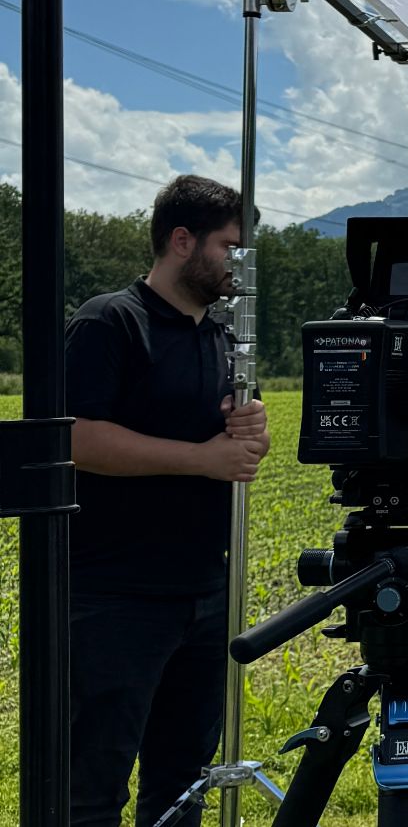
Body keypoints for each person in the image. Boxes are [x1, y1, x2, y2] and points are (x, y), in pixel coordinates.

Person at [64, 174, 270, 827]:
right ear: (182, 241)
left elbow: (229, 452)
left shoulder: (222, 341)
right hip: (115, 599)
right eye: (231, 247)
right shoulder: (109, 322)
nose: (240, 264)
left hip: (205, 597)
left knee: (182, 785)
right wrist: (204, 460)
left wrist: (248, 439)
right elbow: (76, 438)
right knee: (92, 785)